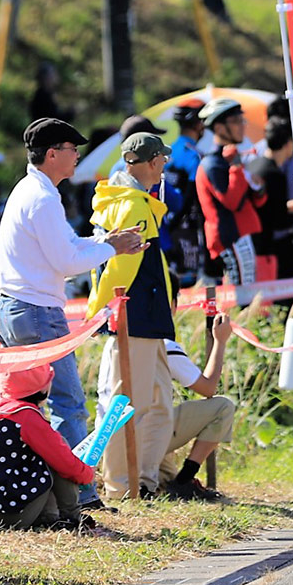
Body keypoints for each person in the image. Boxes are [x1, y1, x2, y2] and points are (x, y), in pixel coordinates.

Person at [0, 118, 145, 507]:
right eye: (72, 149)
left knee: (24, 406)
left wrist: (104, 242)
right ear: (53, 154)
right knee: (67, 404)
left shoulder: (30, 190)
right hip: (37, 311)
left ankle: (47, 494)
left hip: (18, 306)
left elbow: (66, 247)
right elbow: (66, 260)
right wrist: (113, 248)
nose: (78, 155)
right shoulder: (42, 197)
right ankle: (80, 494)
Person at [86, 132, 180, 499]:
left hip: (145, 316)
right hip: (135, 316)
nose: (164, 168)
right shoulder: (135, 205)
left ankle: (144, 479)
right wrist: (97, 313)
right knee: (127, 404)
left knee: (157, 403)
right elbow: (119, 270)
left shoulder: (124, 199)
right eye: (163, 161)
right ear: (154, 161)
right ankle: (120, 486)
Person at [110, 272, 235, 501]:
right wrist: (220, 341)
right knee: (223, 407)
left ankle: (169, 481)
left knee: (163, 470)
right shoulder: (163, 344)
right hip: (150, 432)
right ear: (172, 304)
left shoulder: (117, 341)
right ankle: (184, 481)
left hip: (116, 440)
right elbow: (208, 388)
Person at [0, 365, 96, 531]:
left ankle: (50, 516)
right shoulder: (27, 417)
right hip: (4, 515)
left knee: (37, 455)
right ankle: (71, 518)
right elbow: (65, 463)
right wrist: (87, 474)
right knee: (55, 451)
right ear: (42, 387)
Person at [196, 99, 266, 285]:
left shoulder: (233, 157)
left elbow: (255, 200)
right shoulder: (213, 163)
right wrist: (235, 168)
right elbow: (232, 201)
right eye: (236, 121)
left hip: (243, 238)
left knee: (250, 293)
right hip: (230, 239)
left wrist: (258, 187)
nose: (242, 126)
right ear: (219, 128)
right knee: (241, 298)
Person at [248, 118, 293, 282]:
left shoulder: (254, 165)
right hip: (271, 250)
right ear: (288, 144)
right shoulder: (275, 174)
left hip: (252, 246)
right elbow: (279, 219)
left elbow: (268, 206)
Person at [165, 99, 208, 284]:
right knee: (190, 284)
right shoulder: (194, 154)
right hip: (188, 228)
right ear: (199, 124)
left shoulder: (167, 151)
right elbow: (193, 195)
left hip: (166, 225)